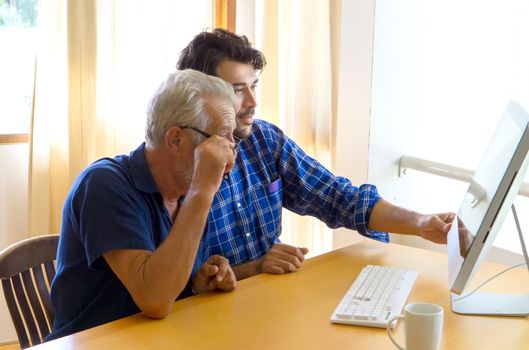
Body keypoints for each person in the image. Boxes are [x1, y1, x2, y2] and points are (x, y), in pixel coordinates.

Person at [176, 29, 455, 280]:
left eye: (253, 86)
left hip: (266, 307)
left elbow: (338, 198)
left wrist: (420, 223)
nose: (252, 102)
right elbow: (177, 284)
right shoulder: (175, 164)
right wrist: (255, 267)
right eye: (238, 91)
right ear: (201, 95)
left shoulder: (264, 139)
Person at [47, 69, 239, 340]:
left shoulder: (185, 192)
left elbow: (168, 287)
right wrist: (202, 190)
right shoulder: (103, 184)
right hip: (96, 343)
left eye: (232, 139)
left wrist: (197, 283)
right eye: (221, 138)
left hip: (160, 338)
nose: (229, 150)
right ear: (176, 139)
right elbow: (155, 299)